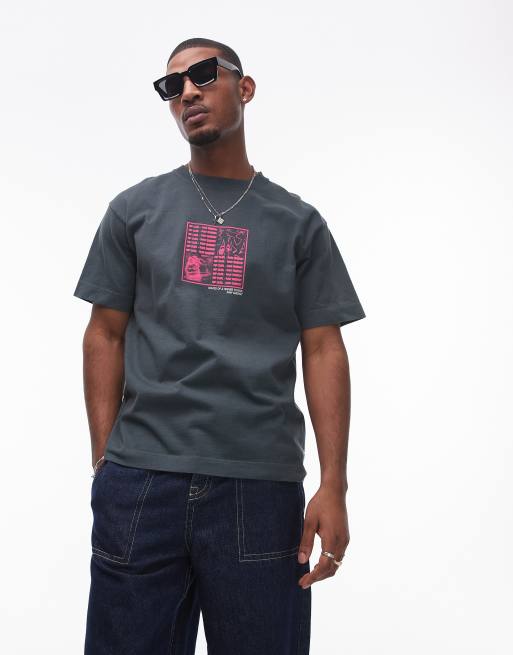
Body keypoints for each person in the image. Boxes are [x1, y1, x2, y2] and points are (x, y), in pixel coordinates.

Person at [73, 36, 366, 655]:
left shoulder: (297, 223)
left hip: (258, 490)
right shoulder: (133, 210)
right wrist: (106, 462)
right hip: (142, 484)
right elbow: (104, 332)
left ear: (245, 87)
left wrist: (334, 484)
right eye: (171, 86)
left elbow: (324, 349)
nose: (187, 92)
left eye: (204, 74)